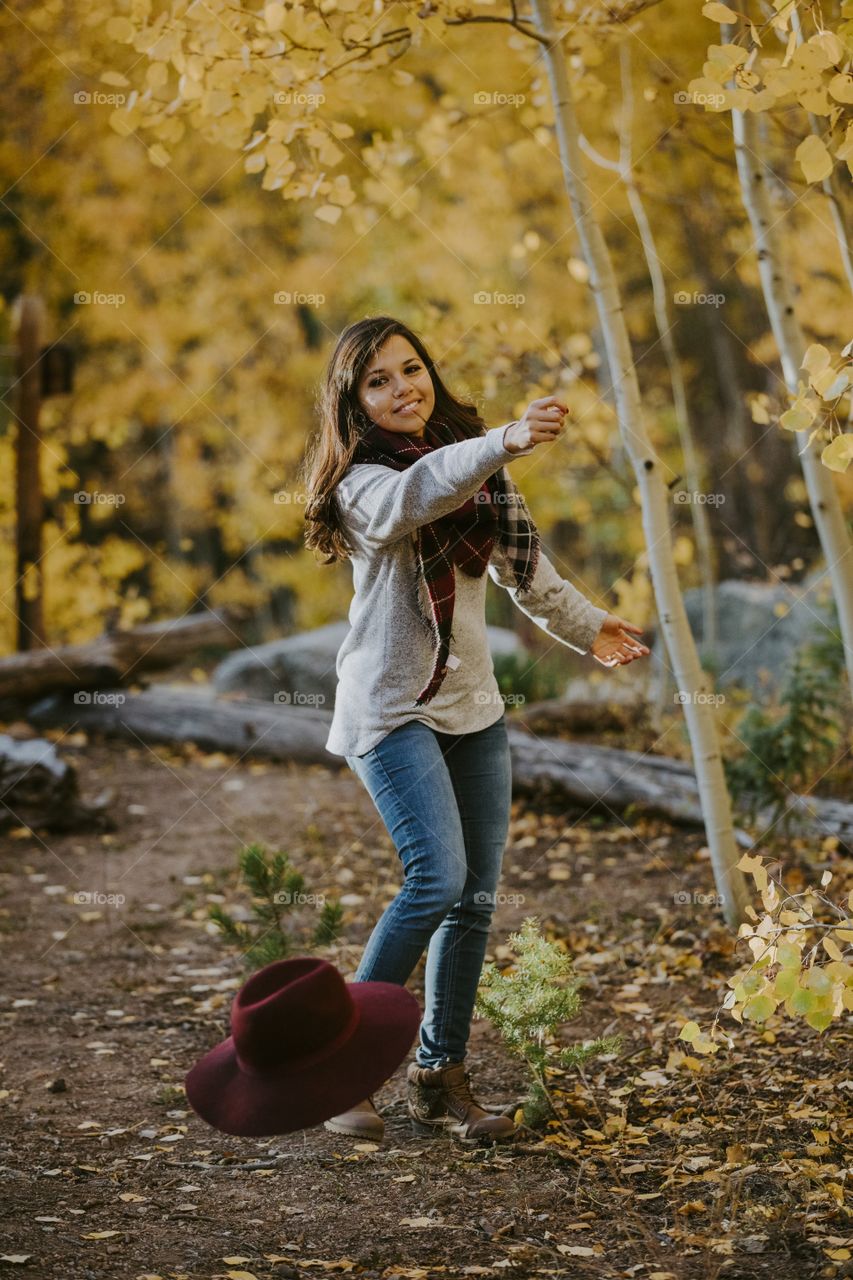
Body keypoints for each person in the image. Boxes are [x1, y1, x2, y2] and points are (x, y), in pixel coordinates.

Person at [302, 315, 649, 1144]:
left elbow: (529, 574)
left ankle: (439, 1073)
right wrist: (503, 439)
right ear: (353, 404)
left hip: (472, 711)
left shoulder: (480, 472)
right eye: (376, 381)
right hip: (389, 712)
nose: (400, 390)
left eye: (409, 370)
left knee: (476, 898)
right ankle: (339, 1072)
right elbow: (416, 499)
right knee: (436, 878)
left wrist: (593, 625)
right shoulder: (364, 484)